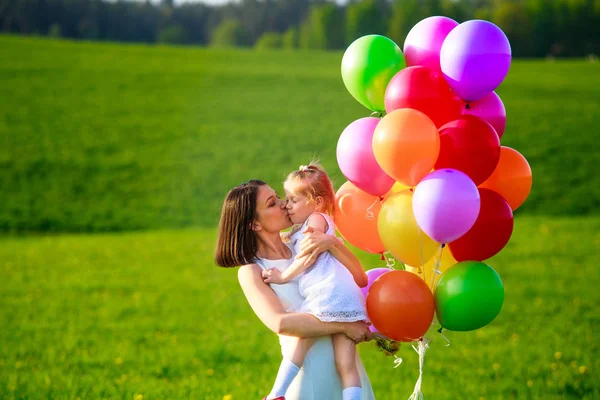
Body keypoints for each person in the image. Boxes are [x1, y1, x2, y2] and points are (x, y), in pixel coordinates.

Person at [215, 179, 375, 400]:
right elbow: (280, 323)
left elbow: (360, 278)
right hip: (308, 378)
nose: (283, 204)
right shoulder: (252, 270)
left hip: (348, 373)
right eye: (272, 203)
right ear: (254, 224)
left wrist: (332, 244)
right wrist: (346, 325)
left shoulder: (305, 242)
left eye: (279, 197)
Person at [261, 163, 369, 400]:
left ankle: (276, 394)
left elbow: (306, 258)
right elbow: (296, 238)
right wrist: (286, 235)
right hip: (345, 297)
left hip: (327, 294)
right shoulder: (310, 225)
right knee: (345, 364)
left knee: (301, 340)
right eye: (286, 198)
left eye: (293, 200)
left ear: (317, 203)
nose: (287, 205)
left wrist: (283, 276)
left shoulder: (316, 221)